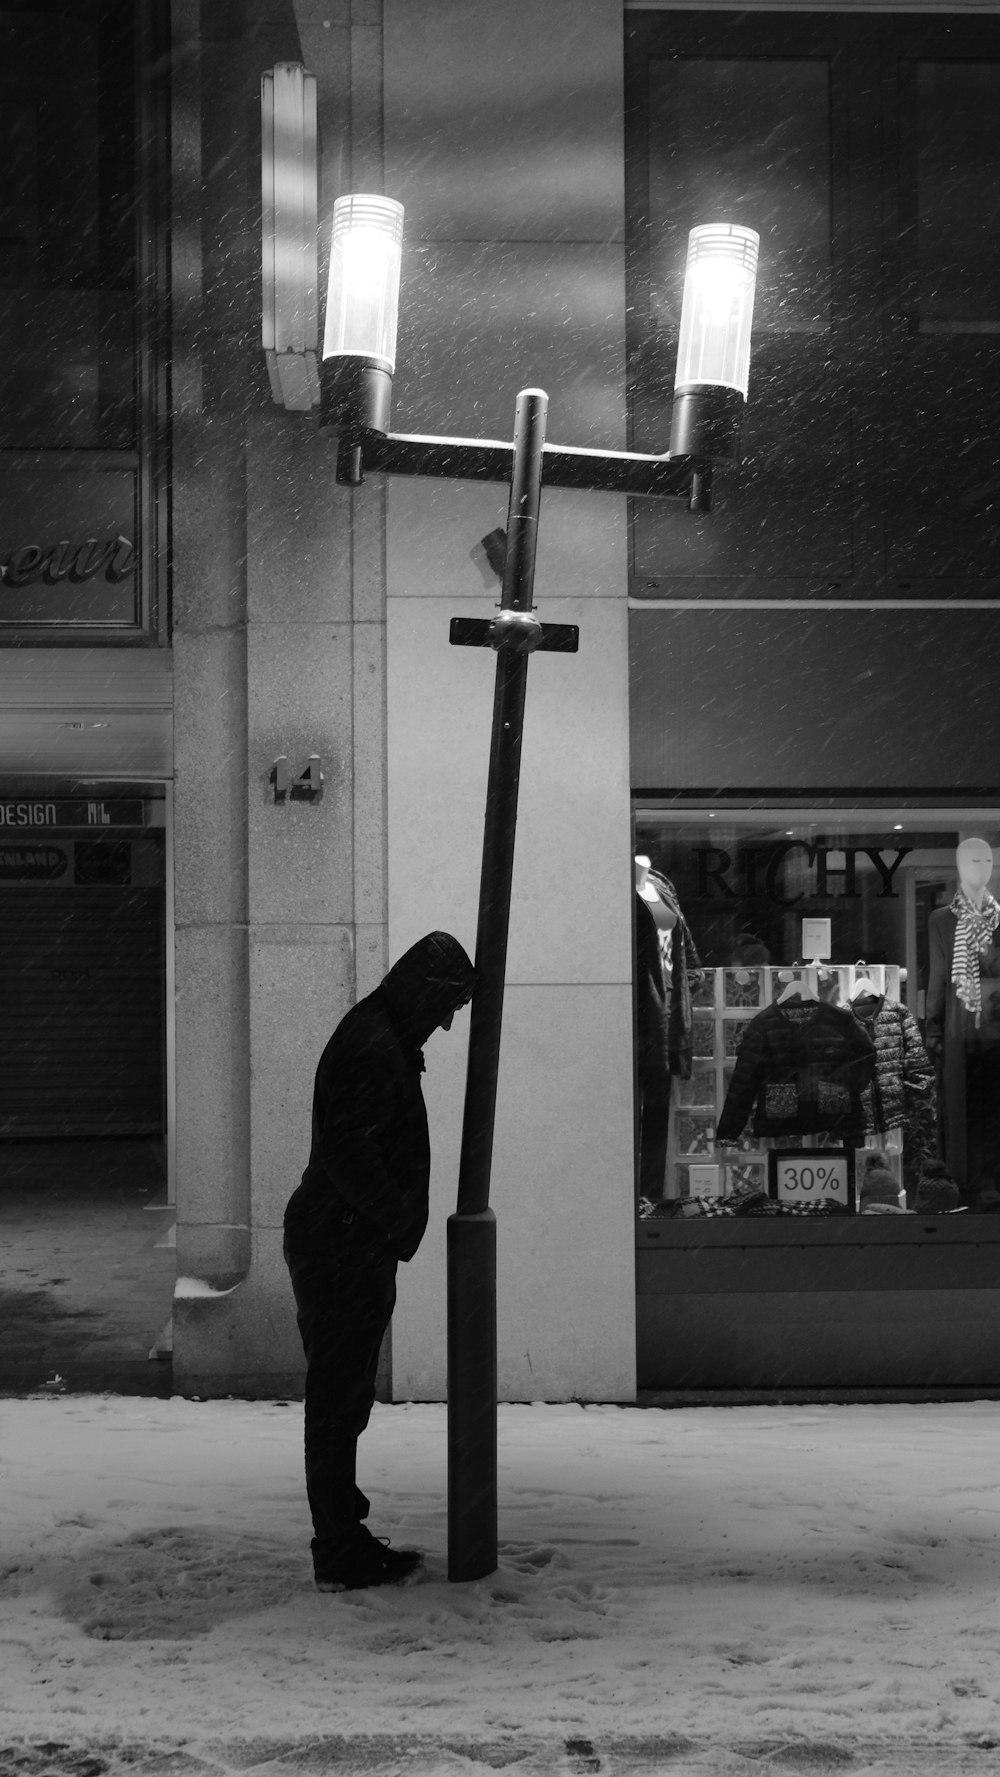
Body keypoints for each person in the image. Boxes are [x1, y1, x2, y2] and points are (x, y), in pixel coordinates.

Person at [284, 930, 475, 1592]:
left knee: (344, 1393)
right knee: (337, 1396)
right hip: (342, 1241)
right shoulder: (373, 1044)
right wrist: (398, 1219)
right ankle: (337, 1544)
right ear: (425, 991)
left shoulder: (380, 1032)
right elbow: (349, 1152)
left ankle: (342, 1529)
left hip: (346, 1239)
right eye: (449, 1005)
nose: (449, 1022)